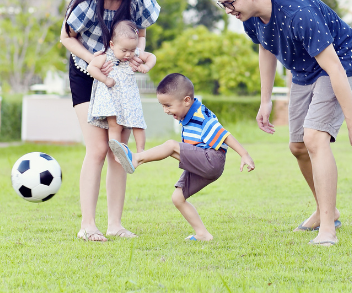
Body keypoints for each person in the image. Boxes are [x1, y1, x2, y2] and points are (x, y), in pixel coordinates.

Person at [210, 0, 352, 246]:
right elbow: (266, 50)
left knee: (314, 138)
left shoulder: (298, 13)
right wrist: (265, 101)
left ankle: (327, 229)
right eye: (222, 5)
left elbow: (334, 68)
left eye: (229, 3)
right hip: (303, 70)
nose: (228, 10)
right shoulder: (250, 19)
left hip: (339, 63)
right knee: (297, 146)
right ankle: (329, 211)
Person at [60, 0, 160, 242]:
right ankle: (87, 225)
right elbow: (66, 38)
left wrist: (138, 54)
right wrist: (94, 60)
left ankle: (115, 224)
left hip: (120, 76)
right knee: (98, 148)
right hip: (86, 73)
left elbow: (140, 32)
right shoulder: (86, 1)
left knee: (118, 150)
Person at [109, 73, 255, 242]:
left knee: (171, 145)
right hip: (202, 163)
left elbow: (224, 135)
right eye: (162, 106)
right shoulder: (187, 114)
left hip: (211, 159)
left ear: (186, 100)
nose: (165, 110)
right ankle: (202, 234)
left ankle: (136, 159)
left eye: (168, 105)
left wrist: (244, 154)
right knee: (177, 198)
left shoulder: (202, 115)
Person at [85, 19, 157, 154]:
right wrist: (105, 79)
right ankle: (119, 153)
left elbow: (152, 57)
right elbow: (91, 68)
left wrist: (146, 66)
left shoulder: (134, 54)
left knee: (138, 123)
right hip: (111, 98)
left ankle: (141, 151)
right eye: (124, 50)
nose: (128, 54)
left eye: (132, 49)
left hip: (130, 97)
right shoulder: (106, 56)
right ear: (112, 45)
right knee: (115, 126)